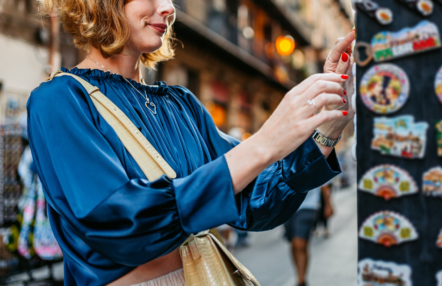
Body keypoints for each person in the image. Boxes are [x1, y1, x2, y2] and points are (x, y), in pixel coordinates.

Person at [26, 0, 355, 285]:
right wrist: (265, 142)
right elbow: (120, 223)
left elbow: (258, 204)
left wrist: (326, 129)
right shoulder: (59, 100)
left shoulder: (181, 104)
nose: (169, 8)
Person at [283, 182, 332, 286]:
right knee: (293, 244)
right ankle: (299, 275)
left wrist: (328, 204)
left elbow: (324, 184)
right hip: (287, 207)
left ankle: (301, 281)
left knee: (299, 243)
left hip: (308, 206)